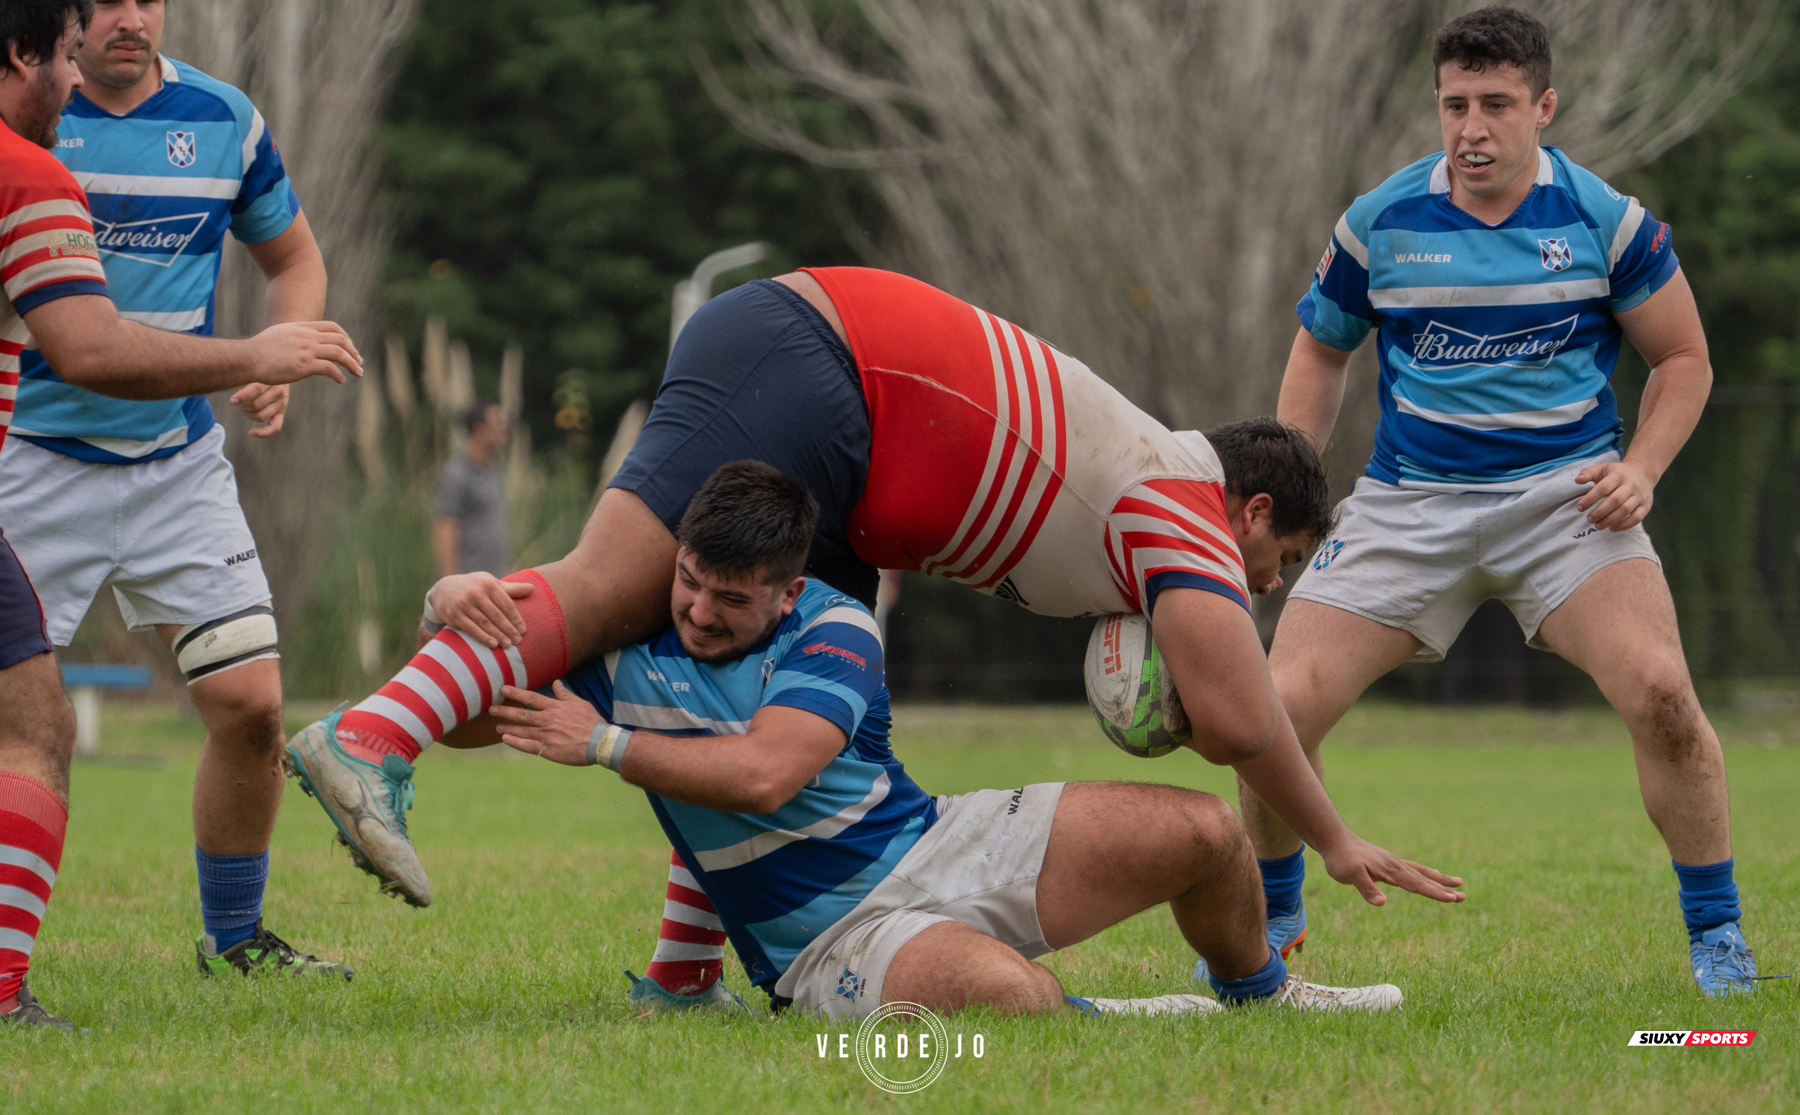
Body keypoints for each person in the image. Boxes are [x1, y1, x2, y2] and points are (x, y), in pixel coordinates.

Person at [286, 267, 1462, 1009]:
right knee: (613, 595)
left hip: (834, 418)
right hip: (828, 365)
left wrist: (463, 605)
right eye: (1284, 564)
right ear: (1256, 514)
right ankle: (371, 739)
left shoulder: (1141, 498)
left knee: (734, 666)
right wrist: (1337, 839)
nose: (1260, 588)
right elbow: (1245, 720)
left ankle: (683, 976)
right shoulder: (1186, 510)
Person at [1236, 5, 1768, 997]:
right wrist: (1297, 480)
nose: (1471, 127)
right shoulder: (1381, 223)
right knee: (1278, 705)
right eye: (1453, 106)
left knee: (1663, 691)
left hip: (1568, 508)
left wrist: (1642, 467)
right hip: (1408, 507)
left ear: (1544, 108)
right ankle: (1275, 919)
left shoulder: (1607, 223)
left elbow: (1685, 361)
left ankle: (1718, 941)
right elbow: (1321, 345)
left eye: (1495, 105)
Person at [491, 460, 1406, 1016]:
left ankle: (1261, 998)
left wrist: (603, 746)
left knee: (1208, 835)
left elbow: (768, 774)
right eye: (690, 581)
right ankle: (1116, 1015)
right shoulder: (627, 656)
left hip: (933, 837)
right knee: (1008, 1001)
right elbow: (472, 716)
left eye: (732, 599)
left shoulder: (836, 627)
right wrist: (452, 607)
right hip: (828, 942)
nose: (698, 610)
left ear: (787, 590)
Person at [0, 0, 361, 1029]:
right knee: (25, 725)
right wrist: (254, 355)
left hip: (174, 465)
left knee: (250, 706)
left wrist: (281, 352)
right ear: (51, 35)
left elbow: (292, 259)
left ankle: (238, 938)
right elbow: (92, 347)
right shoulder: (38, 154)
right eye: (98, 6)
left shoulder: (220, 120)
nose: (124, 23)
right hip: (34, 459)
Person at [434, 401, 511, 580]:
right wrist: (452, 583)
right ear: (478, 429)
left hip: (496, 580)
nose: (504, 427)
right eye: (497, 422)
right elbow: (445, 531)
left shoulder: (492, 472)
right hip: (471, 585)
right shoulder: (456, 474)